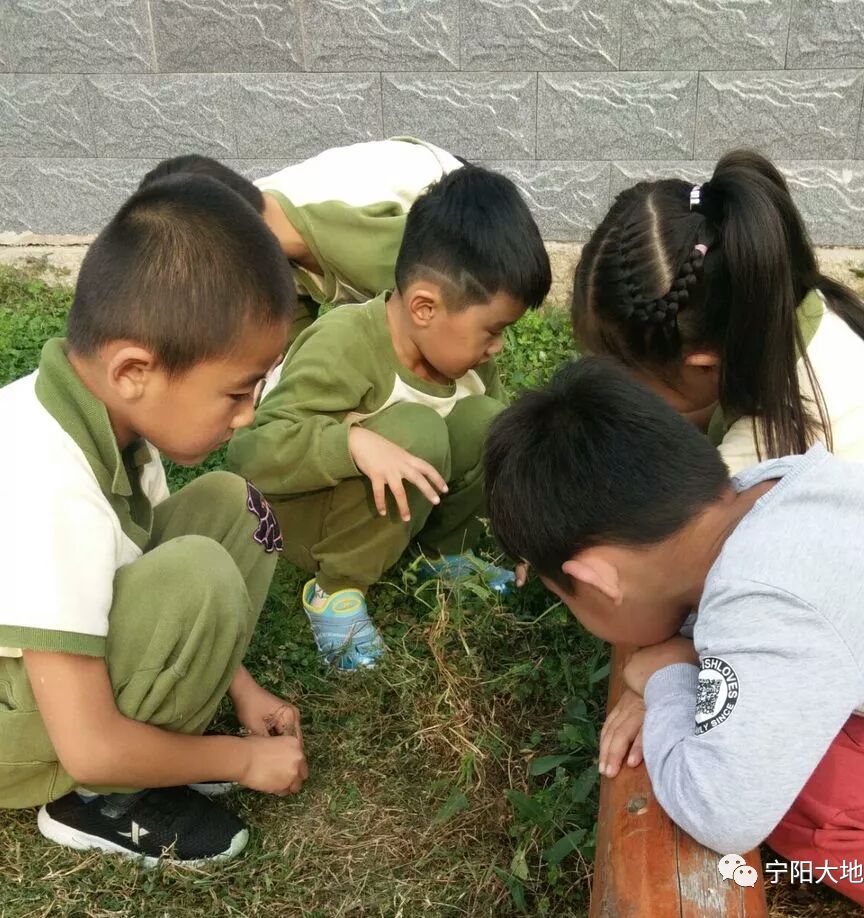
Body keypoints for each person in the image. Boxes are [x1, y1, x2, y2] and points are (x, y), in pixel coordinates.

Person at [484, 357, 864, 915]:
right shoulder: (780, 486)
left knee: (806, 795)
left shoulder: (767, 595)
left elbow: (723, 811)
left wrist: (669, 679)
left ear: (594, 580)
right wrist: (694, 649)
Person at [572, 148, 864, 796]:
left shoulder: (767, 455)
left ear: (701, 363)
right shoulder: (808, 316)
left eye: (627, 375)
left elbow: (720, 601)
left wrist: (672, 674)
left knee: (802, 769)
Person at [0, 175, 307, 864]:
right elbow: (88, 743)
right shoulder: (46, 481)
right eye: (236, 390)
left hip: (45, 677)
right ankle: (99, 800)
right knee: (198, 572)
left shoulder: (114, 421)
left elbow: (139, 568)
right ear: (135, 370)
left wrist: (244, 688)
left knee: (236, 507)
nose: (249, 411)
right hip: (26, 726)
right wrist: (242, 760)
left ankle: (157, 749)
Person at [227, 165, 551, 671]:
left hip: (397, 507)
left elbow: (502, 448)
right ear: (425, 307)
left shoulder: (466, 360)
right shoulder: (344, 344)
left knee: (491, 423)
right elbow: (251, 454)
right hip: (309, 515)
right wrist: (350, 444)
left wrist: (527, 531)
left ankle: (441, 559)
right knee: (416, 432)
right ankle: (337, 592)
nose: (496, 348)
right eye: (491, 331)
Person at [139, 138, 464, 344]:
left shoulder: (353, 231)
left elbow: (432, 324)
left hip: (458, 208)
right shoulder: (249, 220)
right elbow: (289, 339)